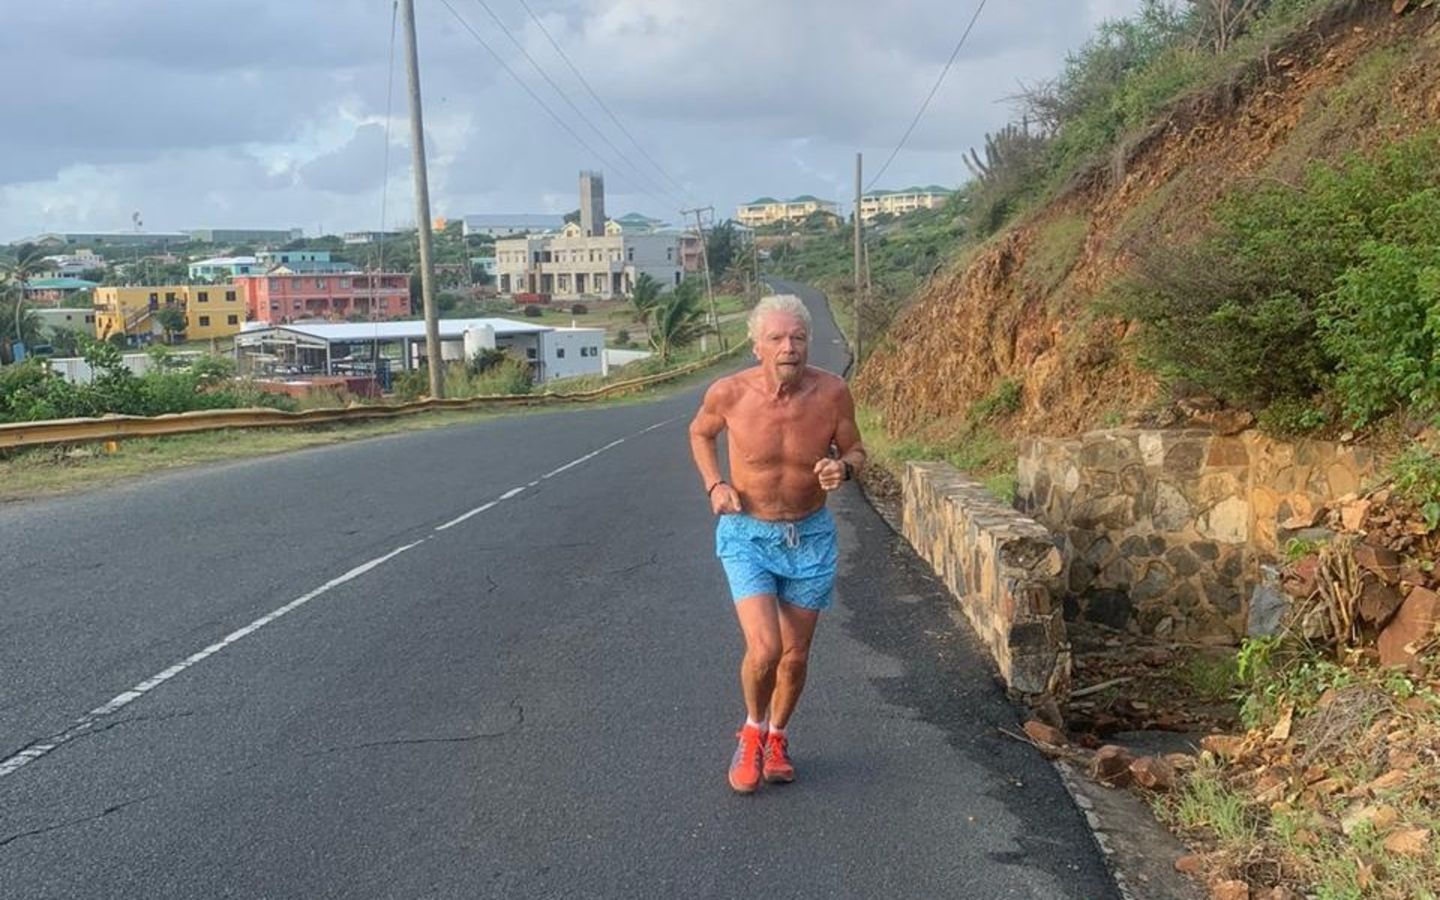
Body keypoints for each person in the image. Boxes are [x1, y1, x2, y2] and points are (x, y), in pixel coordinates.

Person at [688, 293, 866, 794]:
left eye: (798, 337)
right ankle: (750, 730)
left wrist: (843, 467)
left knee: (794, 655)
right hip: (748, 533)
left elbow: (856, 448)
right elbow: (699, 434)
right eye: (777, 338)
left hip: (809, 536)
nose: (789, 346)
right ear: (756, 346)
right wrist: (714, 484)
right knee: (764, 649)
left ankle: (777, 736)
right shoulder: (729, 394)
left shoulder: (832, 394)